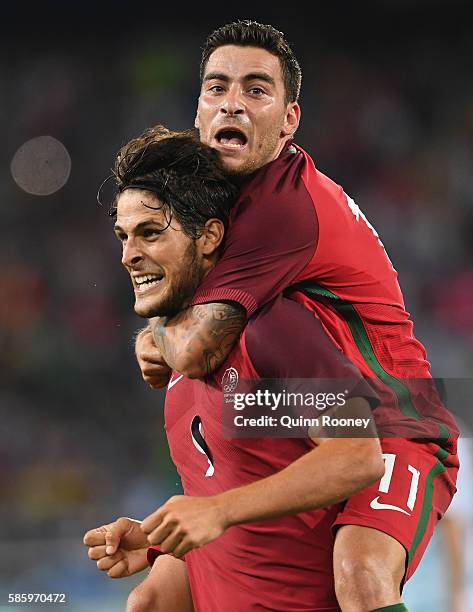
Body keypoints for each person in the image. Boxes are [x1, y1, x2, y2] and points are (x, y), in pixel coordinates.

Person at [133, 20, 459, 612]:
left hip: (394, 425)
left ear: (289, 122)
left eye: (256, 89)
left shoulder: (283, 208)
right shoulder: (218, 200)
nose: (233, 101)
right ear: (200, 109)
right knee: (159, 595)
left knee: (360, 574)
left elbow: (192, 349)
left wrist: (155, 329)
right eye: (217, 87)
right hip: (302, 415)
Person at [84, 126, 385, 611]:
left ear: (208, 236)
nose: (128, 255)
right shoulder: (181, 369)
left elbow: (356, 453)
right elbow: (252, 487)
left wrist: (214, 511)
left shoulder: (271, 328)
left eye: (150, 233)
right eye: (123, 236)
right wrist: (159, 538)